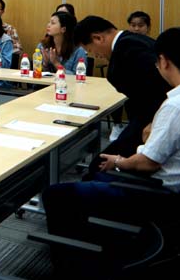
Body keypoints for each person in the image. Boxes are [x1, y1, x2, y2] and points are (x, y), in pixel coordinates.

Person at [43, 28, 180, 266]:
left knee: (55, 194)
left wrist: (118, 161)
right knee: (94, 174)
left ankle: (72, 266)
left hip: (156, 191)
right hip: (163, 185)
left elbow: (148, 162)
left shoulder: (174, 107)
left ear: (164, 61)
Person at [75, 16, 171, 168]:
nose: (94, 55)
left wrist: (155, 122)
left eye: (90, 50)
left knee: (99, 165)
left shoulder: (128, 50)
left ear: (98, 38)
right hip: (151, 117)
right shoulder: (132, 40)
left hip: (156, 121)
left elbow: (161, 88)